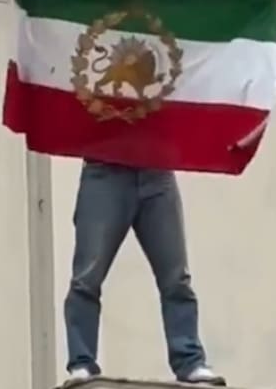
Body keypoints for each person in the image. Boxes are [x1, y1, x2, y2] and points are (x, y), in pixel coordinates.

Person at [64, 161, 225, 386]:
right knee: (86, 279)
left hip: (156, 170)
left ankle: (190, 361)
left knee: (176, 278)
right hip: (104, 168)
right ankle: (81, 362)